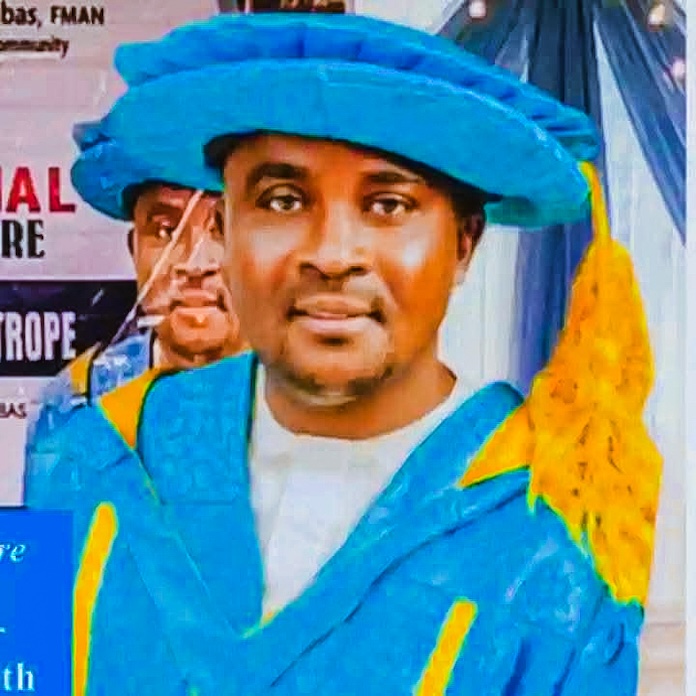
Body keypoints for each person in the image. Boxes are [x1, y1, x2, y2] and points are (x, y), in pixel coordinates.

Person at [25, 12, 660, 696]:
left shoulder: (553, 539)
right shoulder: (84, 456)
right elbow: (24, 670)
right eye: (282, 200)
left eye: (388, 205)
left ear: (463, 243)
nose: (331, 254)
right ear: (224, 229)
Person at [25, 123, 246, 464]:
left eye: (224, 229)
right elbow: (48, 501)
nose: (195, 264)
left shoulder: (316, 400)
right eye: (165, 231)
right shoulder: (74, 404)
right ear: (134, 249)